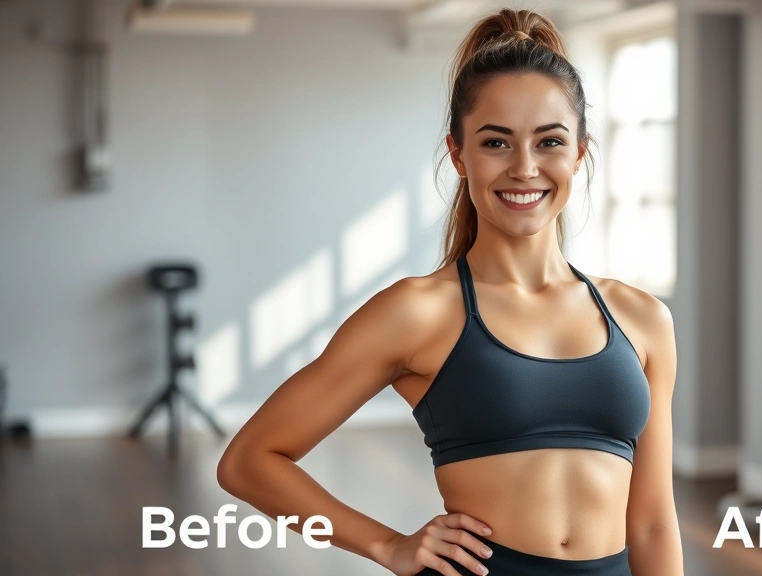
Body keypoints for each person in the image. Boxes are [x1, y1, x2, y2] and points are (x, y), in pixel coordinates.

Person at [217, 8, 684, 576]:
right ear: (459, 155)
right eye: (496, 142)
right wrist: (386, 545)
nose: (524, 167)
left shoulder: (643, 320)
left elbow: (653, 523)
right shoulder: (417, 312)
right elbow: (249, 461)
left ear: (579, 154)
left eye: (549, 141)